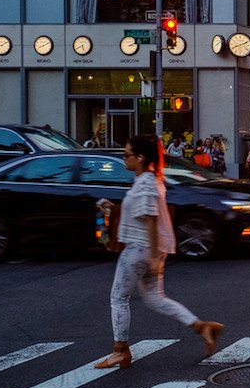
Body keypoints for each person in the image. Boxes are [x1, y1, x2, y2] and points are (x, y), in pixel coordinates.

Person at [92, 134, 224, 369]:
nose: (125, 159)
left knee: (118, 298)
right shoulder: (150, 180)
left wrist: (154, 256)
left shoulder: (146, 184)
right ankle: (201, 327)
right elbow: (146, 215)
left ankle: (120, 350)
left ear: (140, 158)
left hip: (139, 248)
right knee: (155, 298)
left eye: (127, 155)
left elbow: (151, 219)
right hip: (148, 248)